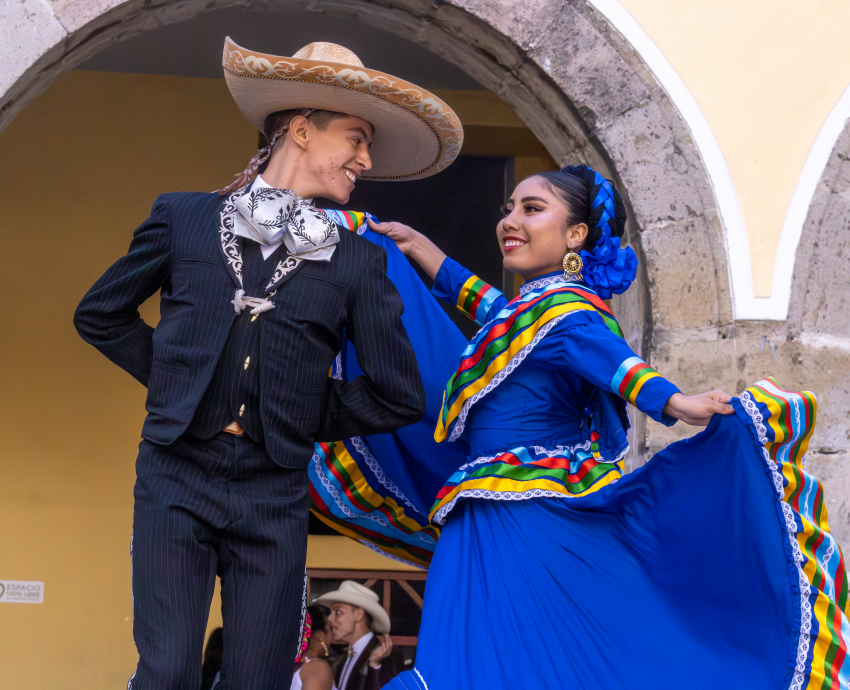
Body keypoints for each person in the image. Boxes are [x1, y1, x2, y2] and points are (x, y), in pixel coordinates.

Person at [306, 165, 850, 689]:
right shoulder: (532, 310)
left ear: (576, 234)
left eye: (532, 208)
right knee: (485, 662)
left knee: (477, 662)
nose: (510, 220)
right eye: (508, 208)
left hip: (521, 513)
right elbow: (493, 309)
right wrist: (421, 248)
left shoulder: (568, 313)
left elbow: (616, 363)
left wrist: (678, 402)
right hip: (488, 508)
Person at [73, 36, 464, 690]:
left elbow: (398, 394)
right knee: (168, 673)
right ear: (302, 131)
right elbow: (100, 313)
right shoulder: (185, 218)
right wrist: (180, 384)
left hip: (274, 489)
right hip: (176, 473)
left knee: (256, 680)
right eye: (356, 138)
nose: (365, 159)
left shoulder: (356, 261)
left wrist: (294, 412)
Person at [314, 581, 404, 690]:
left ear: (359, 615)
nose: (330, 619)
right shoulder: (341, 661)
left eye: (338, 612)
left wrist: (375, 666)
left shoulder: (386, 654)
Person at [292, 605, 335, 690]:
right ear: (320, 635)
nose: (334, 634)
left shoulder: (293, 667)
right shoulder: (316, 668)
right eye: (331, 629)